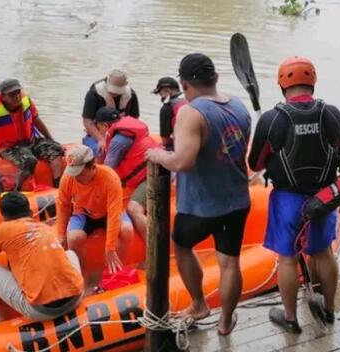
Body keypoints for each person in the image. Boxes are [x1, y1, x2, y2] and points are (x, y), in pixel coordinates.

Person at [146, 53, 251, 336]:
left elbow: (182, 161)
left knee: (181, 246)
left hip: (200, 206)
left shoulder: (191, 113)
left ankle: (199, 303)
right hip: (238, 200)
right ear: (215, 78)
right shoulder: (239, 106)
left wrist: (157, 155)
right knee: (230, 262)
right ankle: (226, 322)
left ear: (183, 84)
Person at [248, 56, 340, 333]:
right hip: (324, 198)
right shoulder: (331, 114)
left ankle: (291, 318)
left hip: (288, 200)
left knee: (288, 259)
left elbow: (255, 164)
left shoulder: (272, 119)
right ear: (312, 82)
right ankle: (328, 311)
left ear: (282, 83)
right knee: (324, 253)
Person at [0, 192, 83, 328]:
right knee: (70, 253)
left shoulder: (3, 229)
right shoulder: (44, 227)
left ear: (3, 217)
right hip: (76, 298)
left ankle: (4, 316)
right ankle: (87, 289)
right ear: (30, 212)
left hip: (43, 311)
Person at [56, 144, 133, 295]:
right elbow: (63, 205)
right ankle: (84, 279)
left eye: (79, 173)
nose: (75, 177)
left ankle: (116, 274)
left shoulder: (109, 178)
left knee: (127, 230)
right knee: (73, 238)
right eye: (73, 172)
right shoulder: (68, 178)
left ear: (92, 166)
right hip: (84, 213)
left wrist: (110, 247)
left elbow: (114, 213)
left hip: (107, 212)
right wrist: (60, 234)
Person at [0, 79, 64, 190]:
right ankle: (17, 189)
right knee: (29, 161)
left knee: (57, 149)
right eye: (12, 94)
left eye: (18, 92)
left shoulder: (25, 100)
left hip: (30, 141)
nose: (17, 96)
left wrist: (51, 139)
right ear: (3, 96)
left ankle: (57, 185)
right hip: (9, 148)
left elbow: (37, 120)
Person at [94, 106, 158, 243]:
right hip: (148, 171)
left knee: (133, 209)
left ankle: (154, 251)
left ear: (104, 125)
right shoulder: (122, 133)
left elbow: (107, 171)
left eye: (97, 126)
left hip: (154, 174)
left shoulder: (118, 141)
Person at [82, 69, 140, 157]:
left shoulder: (131, 94)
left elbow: (134, 120)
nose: (114, 93)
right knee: (101, 151)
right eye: (112, 91)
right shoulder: (94, 93)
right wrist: (101, 139)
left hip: (121, 134)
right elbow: (87, 120)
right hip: (98, 133)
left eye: (117, 91)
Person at [151, 76, 187, 148]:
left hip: (181, 148)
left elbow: (165, 140)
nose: (161, 97)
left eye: (160, 94)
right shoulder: (191, 98)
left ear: (167, 90)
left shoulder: (167, 108)